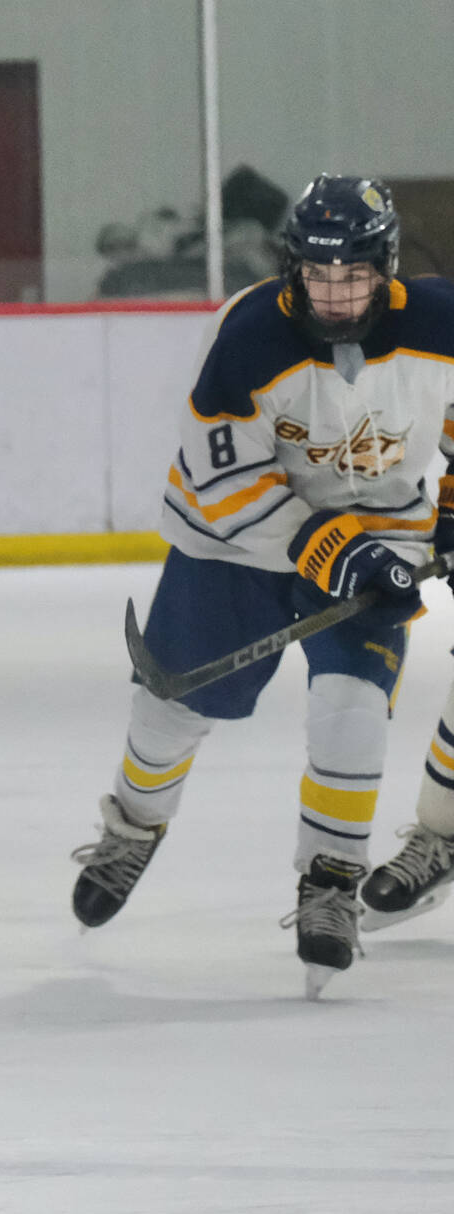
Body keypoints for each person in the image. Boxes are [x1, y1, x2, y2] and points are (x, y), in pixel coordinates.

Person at [70, 174, 454, 999]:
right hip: (236, 542)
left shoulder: (439, 319)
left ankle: (330, 883)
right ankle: (132, 828)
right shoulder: (246, 335)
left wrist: (449, 510)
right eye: (320, 276)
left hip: (379, 529)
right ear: (293, 269)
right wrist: (333, 552)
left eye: (353, 275)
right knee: (170, 706)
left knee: (352, 709)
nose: (337, 294)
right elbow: (227, 482)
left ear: (383, 268)